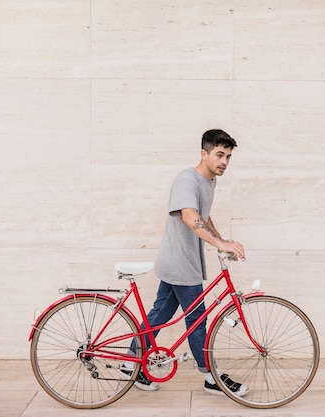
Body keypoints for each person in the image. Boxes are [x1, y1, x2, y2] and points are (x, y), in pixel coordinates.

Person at [120, 129, 248, 396]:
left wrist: (221, 241)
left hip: (182, 260)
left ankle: (130, 362)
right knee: (197, 320)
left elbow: (203, 216)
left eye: (228, 156)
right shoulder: (186, 180)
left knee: (160, 314)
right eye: (219, 154)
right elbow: (190, 217)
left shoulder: (209, 181)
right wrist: (221, 245)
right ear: (204, 153)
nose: (224, 161)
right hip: (180, 262)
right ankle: (211, 377)